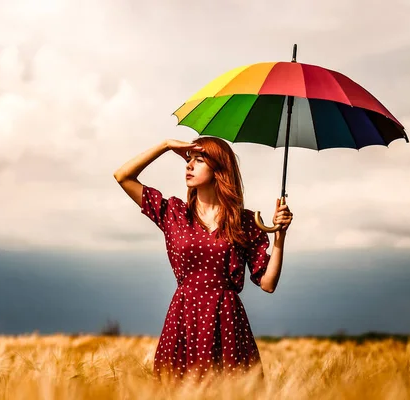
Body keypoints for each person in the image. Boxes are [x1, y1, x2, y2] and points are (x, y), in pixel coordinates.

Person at [113, 137, 293, 381]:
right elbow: (123, 176)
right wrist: (165, 146)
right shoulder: (173, 214)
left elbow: (268, 283)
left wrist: (280, 236)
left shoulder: (245, 222)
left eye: (199, 160)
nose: (189, 165)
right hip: (184, 318)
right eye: (188, 160)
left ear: (220, 169)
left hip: (227, 322)